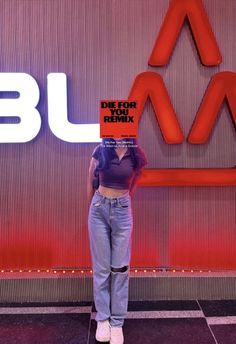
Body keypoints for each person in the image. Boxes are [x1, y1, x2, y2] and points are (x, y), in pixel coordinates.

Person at [87, 138, 147, 344]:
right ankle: (102, 318)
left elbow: (137, 177)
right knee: (101, 269)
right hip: (98, 209)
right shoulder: (101, 149)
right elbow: (90, 178)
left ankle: (117, 322)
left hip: (122, 210)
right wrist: (91, 206)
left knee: (120, 269)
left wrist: (127, 197)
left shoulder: (135, 153)